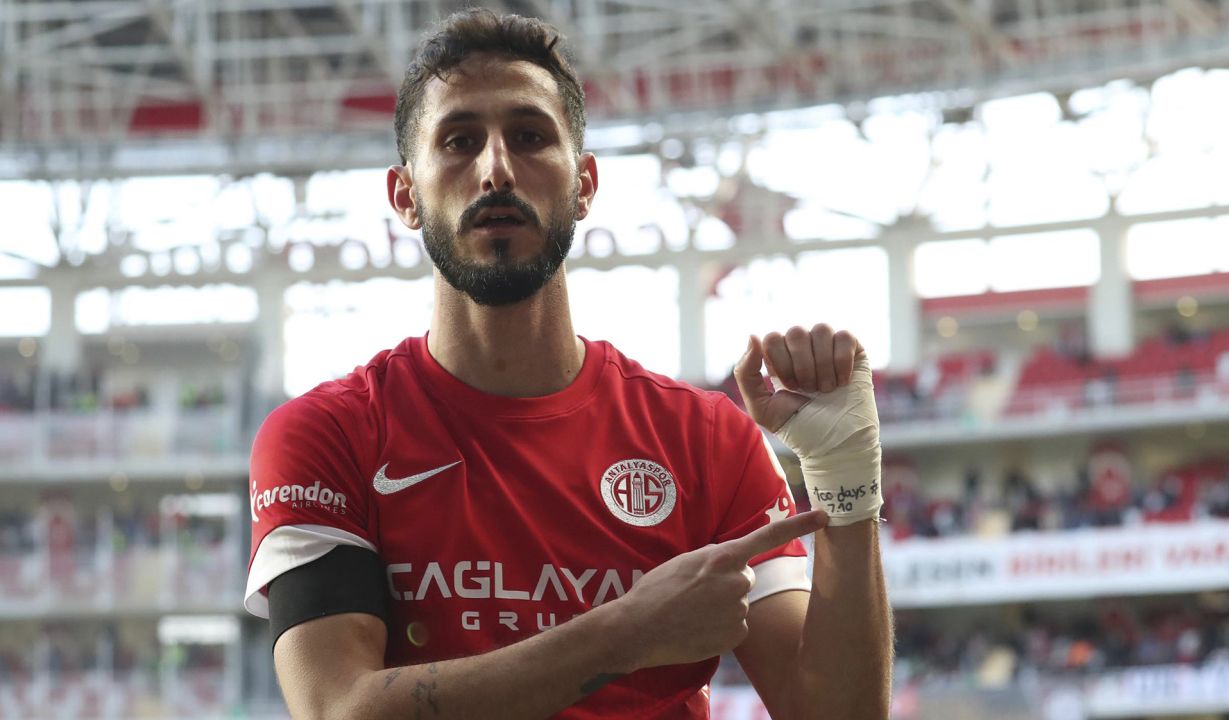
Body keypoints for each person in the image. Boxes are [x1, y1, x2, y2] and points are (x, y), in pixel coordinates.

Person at [243, 9, 891, 719]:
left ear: (584, 184)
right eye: (459, 141)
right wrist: (629, 631)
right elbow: (340, 710)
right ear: (405, 195)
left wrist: (845, 483)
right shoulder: (327, 435)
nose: (495, 169)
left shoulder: (707, 440)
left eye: (529, 137)